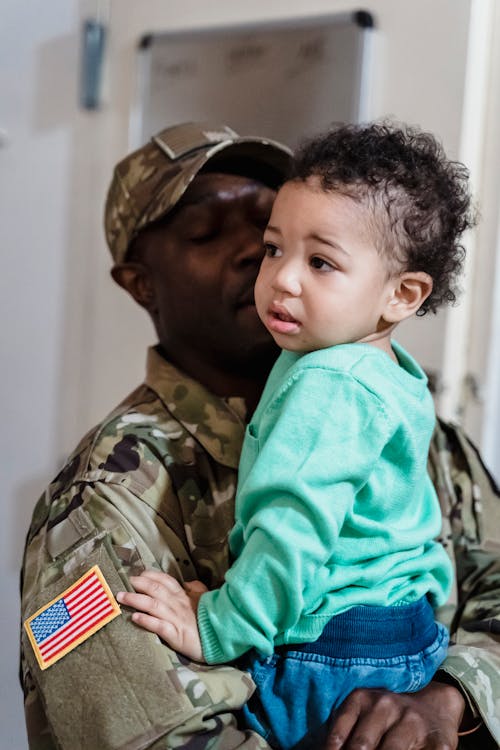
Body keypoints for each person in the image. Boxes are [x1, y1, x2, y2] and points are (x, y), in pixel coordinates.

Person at [19, 122, 500, 750]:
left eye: (264, 223)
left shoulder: (420, 432)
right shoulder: (101, 500)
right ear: (142, 283)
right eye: (207, 232)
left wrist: (453, 697)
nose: (260, 256)